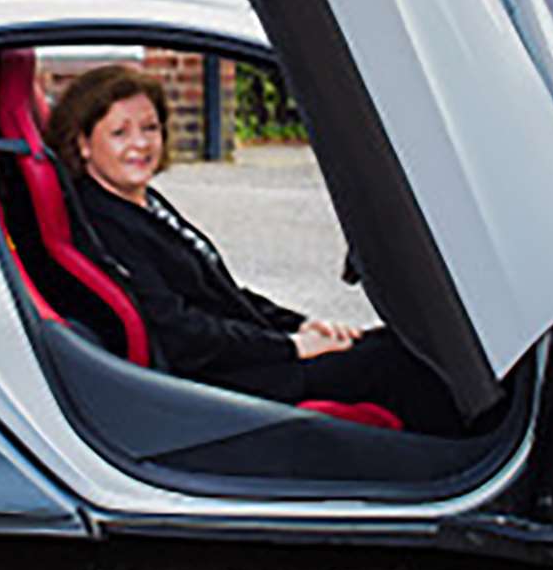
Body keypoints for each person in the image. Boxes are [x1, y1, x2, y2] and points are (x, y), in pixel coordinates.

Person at [44, 64, 466, 436]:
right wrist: (290, 347)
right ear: (83, 144)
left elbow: (224, 294)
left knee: (399, 344)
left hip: (247, 357)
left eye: (150, 127)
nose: (140, 144)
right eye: (119, 132)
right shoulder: (105, 222)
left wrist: (304, 324)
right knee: (403, 365)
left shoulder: (144, 202)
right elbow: (180, 333)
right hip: (218, 384)